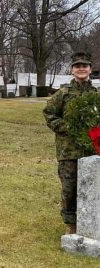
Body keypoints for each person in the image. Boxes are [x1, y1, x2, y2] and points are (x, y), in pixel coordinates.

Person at [43, 51, 97, 235]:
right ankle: (71, 223)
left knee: (92, 186)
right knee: (69, 188)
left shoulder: (96, 95)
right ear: (72, 70)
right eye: (77, 66)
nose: (81, 69)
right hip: (68, 152)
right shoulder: (63, 94)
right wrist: (68, 127)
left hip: (92, 150)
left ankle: (91, 221)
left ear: (90, 69)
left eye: (85, 65)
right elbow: (49, 114)